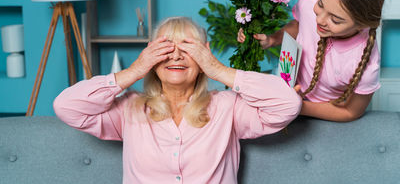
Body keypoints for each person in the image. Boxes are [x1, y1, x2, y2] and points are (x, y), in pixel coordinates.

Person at [54, 17, 301, 184]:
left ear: (204, 53)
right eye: (164, 48)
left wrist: (217, 69)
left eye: (188, 47)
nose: (176, 55)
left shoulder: (229, 107)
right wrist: (135, 70)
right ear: (150, 54)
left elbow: (288, 104)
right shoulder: (129, 109)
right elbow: (66, 107)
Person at [237, 0, 385, 122]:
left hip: (326, 113)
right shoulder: (308, 3)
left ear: (362, 24)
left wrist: (295, 105)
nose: (319, 20)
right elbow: (298, 26)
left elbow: (350, 111)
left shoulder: (364, 61)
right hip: (291, 94)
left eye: (335, 20)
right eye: (321, 4)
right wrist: (272, 40)